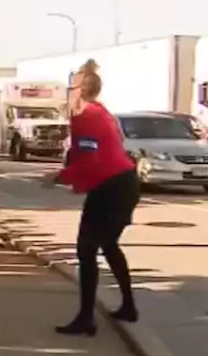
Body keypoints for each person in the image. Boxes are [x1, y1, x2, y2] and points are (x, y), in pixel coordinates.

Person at [43, 59, 140, 335]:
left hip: (111, 187)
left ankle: (86, 318)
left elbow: (92, 161)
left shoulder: (88, 117)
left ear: (79, 90)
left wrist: (60, 176)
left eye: (70, 87)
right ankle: (128, 307)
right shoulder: (100, 111)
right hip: (121, 184)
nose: (67, 93)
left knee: (87, 249)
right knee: (108, 245)